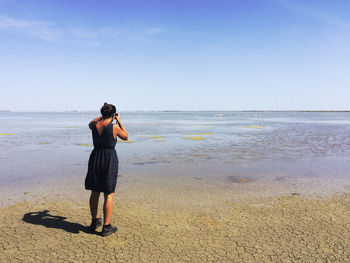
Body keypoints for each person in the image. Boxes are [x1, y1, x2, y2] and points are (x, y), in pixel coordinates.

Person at [84, 102, 128, 236]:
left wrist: (103, 116)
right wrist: (119, 121)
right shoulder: (114, 127)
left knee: (95, 191)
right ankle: (106, 226)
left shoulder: (94, 125)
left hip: (96, 157)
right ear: (113, 115)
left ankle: (94, 221)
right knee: (108, 193)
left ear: (103, 114)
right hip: (109, 159)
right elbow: (125, 136)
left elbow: (91, 121)